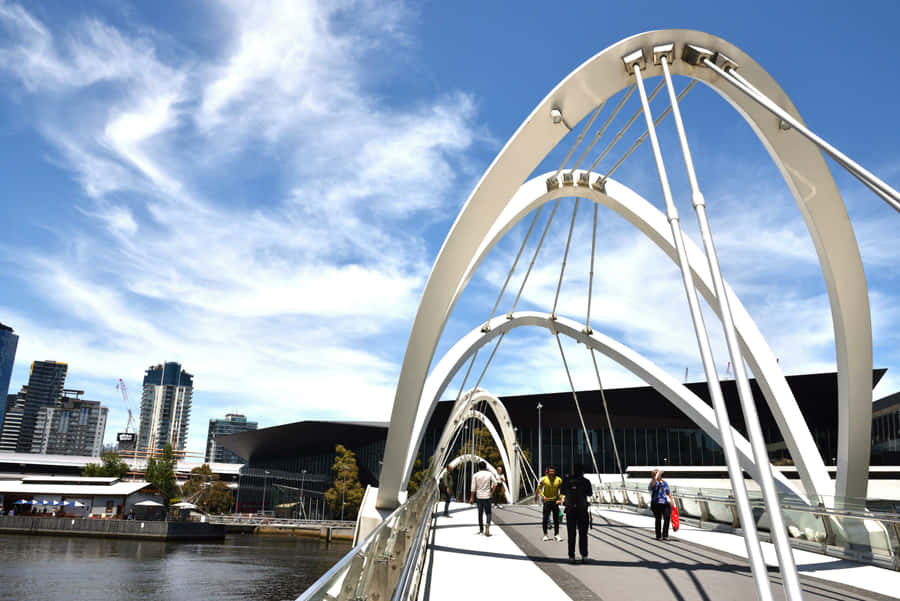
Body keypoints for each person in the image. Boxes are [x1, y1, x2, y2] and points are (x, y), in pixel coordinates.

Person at [561, 464, 592, 564]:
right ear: (582, 471)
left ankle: (571, 556)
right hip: (582, 510)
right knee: (583, 534)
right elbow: (589, 493)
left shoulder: (566, 481)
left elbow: (562, 492)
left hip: (570, 510)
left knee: (571, 534)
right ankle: (584, 555)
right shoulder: (586, 482)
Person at [469, 461, 498, 536]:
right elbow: (495, 483)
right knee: (488, 512)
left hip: (479, 496)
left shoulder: (475, 475)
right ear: (485, 467)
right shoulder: (489, 474)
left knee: (480, 513)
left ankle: (481, 529)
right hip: (487, 496)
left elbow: (473, 488)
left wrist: (471, 497)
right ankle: (487, 524)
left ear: (479, 467)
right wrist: (492, 492)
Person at [536, 466, 563, 541]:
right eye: (550, 471)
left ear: (555, 472)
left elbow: (561, 489)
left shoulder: (559, 479)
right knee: (545, 519)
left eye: (553, 471)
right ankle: (545, 535)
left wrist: (559, 498)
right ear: (548, 472)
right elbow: (539, 488)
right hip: (547, 501)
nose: (552, 473)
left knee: (556, 519)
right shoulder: (544, 479)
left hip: (555, 501)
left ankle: (556, 535)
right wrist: (542, 496)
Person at [649, 468, 674, 541]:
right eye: (656, 473)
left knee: (667, 517)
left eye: (659, 473)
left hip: (665, 503)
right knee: (658, 519)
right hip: (656, 503)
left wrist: (671, 500)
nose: (659, 474)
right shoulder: (653, 482)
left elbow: (668, 492)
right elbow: (653, 486)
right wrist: (655, 477)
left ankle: (665, 535)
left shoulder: (664, 482)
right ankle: (658, 535)